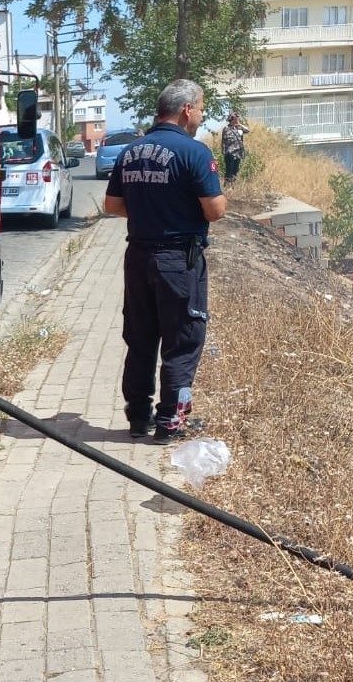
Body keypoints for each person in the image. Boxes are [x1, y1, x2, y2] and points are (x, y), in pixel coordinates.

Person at [103, 79, 227, 445]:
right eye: (201, 108)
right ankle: (170, 420)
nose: (202, 116)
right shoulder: (195, 152)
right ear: (187, 109)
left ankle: (138, 418)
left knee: (141, 338)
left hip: (137, 256)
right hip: (178, 261)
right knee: (183, 340)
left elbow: (112, 206)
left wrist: (148, 213)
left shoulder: (131, 151)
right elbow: (216, 210)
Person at [221, 112, 251, 186]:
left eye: (237, 118)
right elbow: (223, 141)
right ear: (231, 119)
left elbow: (248, 130)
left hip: (238, 153)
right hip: (230, 152)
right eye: (235, 118)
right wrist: (223, 151)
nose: (237, 119)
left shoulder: (239, 128)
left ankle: (232, 185)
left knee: (235, 171)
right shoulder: (226, 129)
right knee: (229, 170)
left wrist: (239, 124)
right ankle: (227, 185)